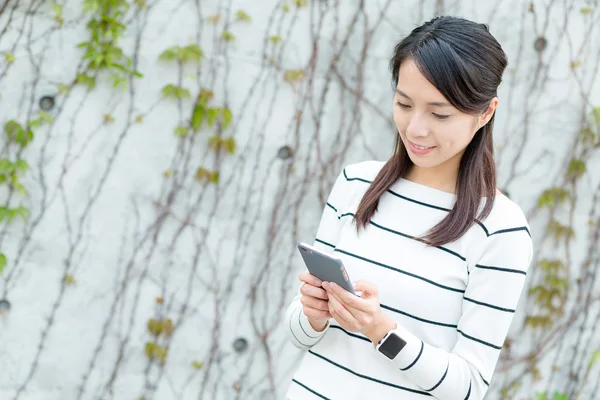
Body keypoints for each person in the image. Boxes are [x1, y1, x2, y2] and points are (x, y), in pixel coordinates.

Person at [283, 15, 534, 400]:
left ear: (485, 112)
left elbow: (468, 387)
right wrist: (312, 316)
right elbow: (299, 334)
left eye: (440, 113)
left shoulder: (499, 228)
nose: (416, 128)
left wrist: (382, 332)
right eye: (404, 103)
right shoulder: (356, 183)